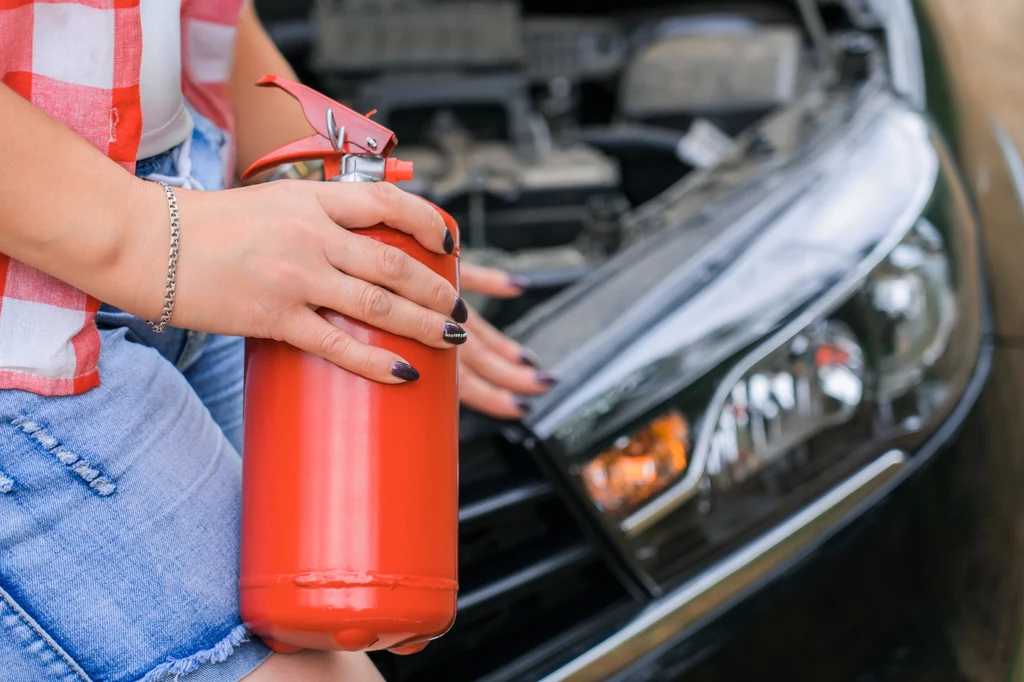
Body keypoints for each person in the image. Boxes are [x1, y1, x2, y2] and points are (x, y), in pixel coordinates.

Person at [0, 1, 553, 680]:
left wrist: (360, 258)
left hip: (185, 217)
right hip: (31, 316)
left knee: (345, 591)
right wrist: (145, 235)